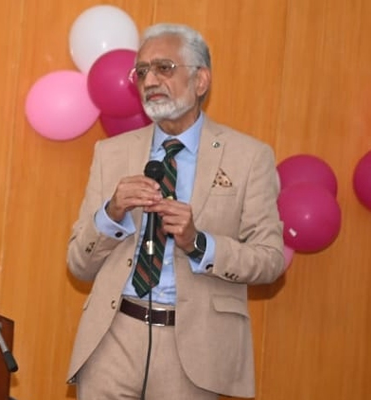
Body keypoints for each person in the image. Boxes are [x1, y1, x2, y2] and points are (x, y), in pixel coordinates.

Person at [66, 22, 285, 400]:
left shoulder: (249, 157)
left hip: (194, 350)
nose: (150, 80)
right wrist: (112, 212)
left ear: (201, 81)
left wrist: (198, 243)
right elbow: (77, 264)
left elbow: (270, 261)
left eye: (164, 68)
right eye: (142, 71)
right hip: (113, 338)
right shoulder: (111, 153)